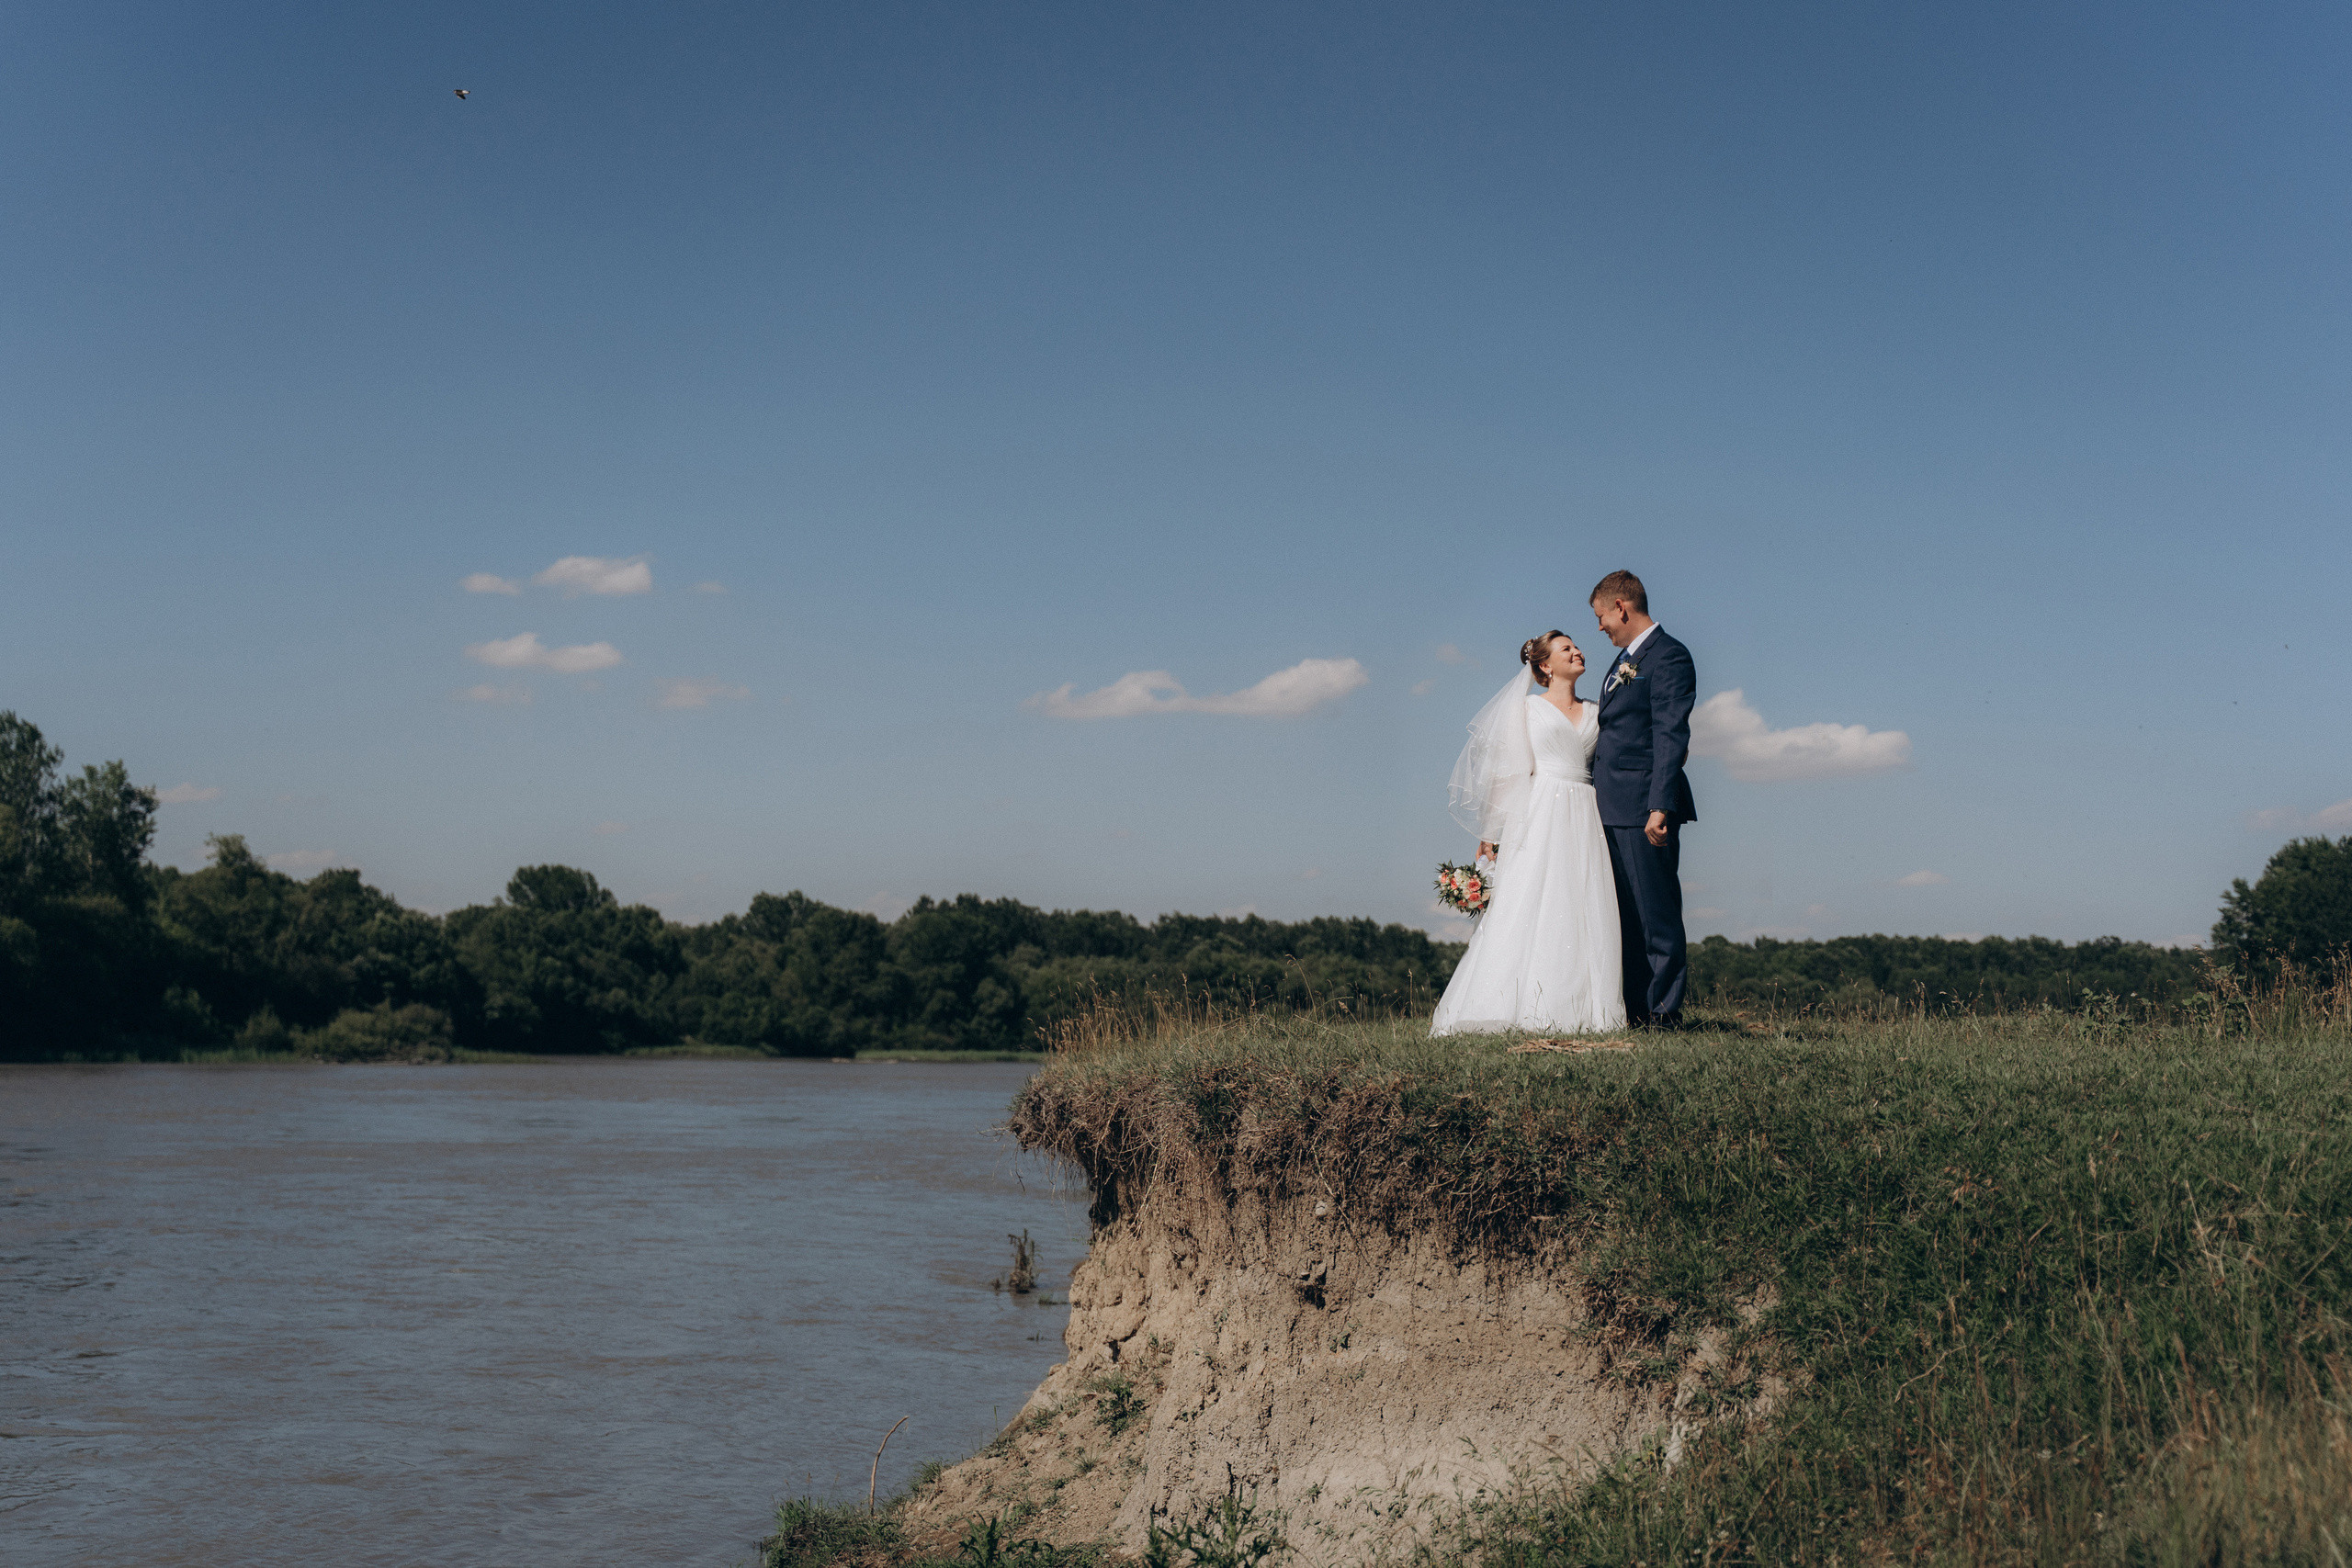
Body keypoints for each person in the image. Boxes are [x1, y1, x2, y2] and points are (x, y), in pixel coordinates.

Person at [1430, 631, 1625, 1036]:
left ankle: (1582, 1011)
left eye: (1576, 646)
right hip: (1541, 809)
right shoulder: (1527, 709)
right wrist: (1491, 832)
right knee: (1532, 898)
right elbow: (1510, 771)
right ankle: (1506, 1005)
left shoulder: (1597, 709)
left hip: (1584, 809)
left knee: (1581, 899)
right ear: (1545, 666)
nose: (1577, 651)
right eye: (1566, 649)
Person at [1587, 570, 1697, 1027]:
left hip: (1641, 806)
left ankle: (1663, 1015)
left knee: (1655, 916)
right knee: (1626, 917)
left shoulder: (1668, 656)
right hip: (1610, 805)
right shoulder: (1623, 662)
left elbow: (1670, 734)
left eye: (1600, 617)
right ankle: (1634, 1011)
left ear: (1621, 608)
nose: (1599, 628)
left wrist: (1659, 805)